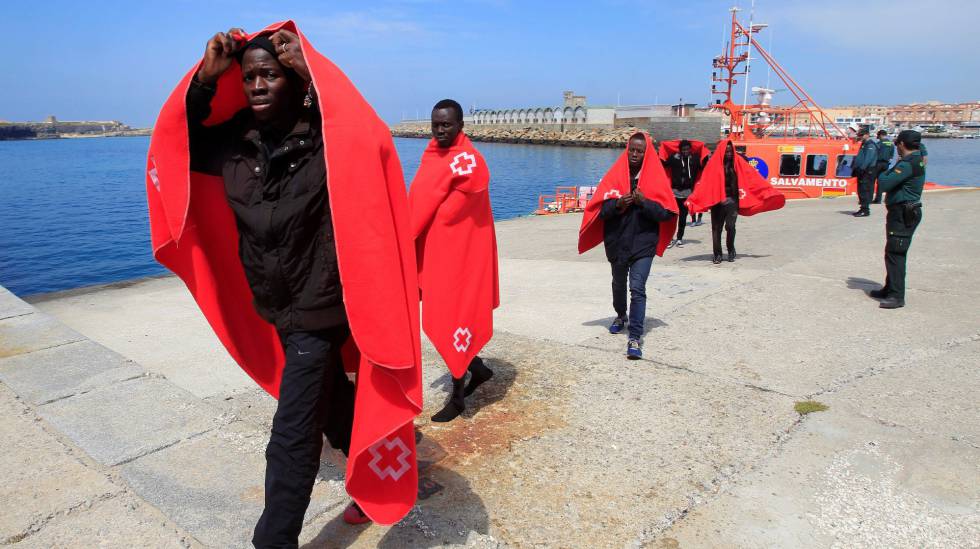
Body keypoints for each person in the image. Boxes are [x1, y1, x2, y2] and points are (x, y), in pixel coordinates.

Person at [148, 23, 422, 546]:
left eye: (269, 74)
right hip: (274, 304)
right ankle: (377, 476)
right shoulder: (232, 142)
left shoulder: (328, 137)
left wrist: (309, 69)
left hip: (320, 305)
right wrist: (206, 79)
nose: (256, 84)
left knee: (291, 435)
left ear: (293, 81)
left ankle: (273, 540)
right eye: (249, 76)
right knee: (332, 400)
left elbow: (368, 134)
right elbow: (176, 143)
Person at [409, 99, 499, 422]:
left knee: (456, 318)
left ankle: (458, 396)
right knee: (442, 314)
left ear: (460, 125)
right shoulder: (432, 155)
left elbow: (456, 213)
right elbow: (421, 198)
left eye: (446, 124)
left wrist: (414, 226)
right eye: (435, 124)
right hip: (438, 257)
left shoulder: (469, 162)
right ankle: (479, 369)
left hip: (462, 259)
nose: (440, 130)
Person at [578, 133, 678, 359]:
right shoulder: (614, 177)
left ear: (647, 153)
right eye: (631, 149)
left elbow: (666, 214)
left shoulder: (656, 179)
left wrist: (644, 203)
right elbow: (600, 212)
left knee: (637, 287)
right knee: (618, 283)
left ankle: (634, 337)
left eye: (639, 151)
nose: (634, 154)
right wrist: (618, 204)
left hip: (644, 244)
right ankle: (620, 315)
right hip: (618, 242)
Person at [686, 140, 786, 264]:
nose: (729, 154)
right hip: (717, 201)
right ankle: (717, 254)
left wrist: (769, 191)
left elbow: (753, 177)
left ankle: (731, 249)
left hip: (732, 200)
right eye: (726, 152)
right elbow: (704, 183)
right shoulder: (713, 164)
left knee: (730, 226)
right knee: (716, 229)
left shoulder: (738, 163)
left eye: (730, 151)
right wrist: (693, 199)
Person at [868, 130, 925, 309]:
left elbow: (884, 183)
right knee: (892, 251)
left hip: (902, 213)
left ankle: (896, 296)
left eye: (897, 144)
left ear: (901, 144)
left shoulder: (908, 163)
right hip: (903, 211)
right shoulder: (917, 159)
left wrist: (886, 172)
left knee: (896, 253)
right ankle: (890, 287)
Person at [661, 139, 708, 247]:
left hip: (687, 194)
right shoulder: (674, 158)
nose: (685, 151)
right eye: (683, 150)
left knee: (683, 217)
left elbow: (703, 166)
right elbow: (663, 163)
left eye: (687, 149)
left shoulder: (695, 159)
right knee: (671, 217)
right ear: (680, 150)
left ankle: (679, 238)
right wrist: (659, 152)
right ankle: (669, 238)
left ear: (690, 149)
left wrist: (705, 154)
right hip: (674, 193)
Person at [851, 126, 879, 217]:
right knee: (861, 189)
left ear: (867, 135)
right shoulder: (864, 144)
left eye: (861, 135)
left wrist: (862, 168)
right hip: (863, 170)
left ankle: (865, 209)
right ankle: (863, 208)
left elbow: (868, 159)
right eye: (859, 135)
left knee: (864, 189)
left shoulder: (870, 145)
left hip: (867, 171)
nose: (860, 136)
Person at [872, 129, 894, 204]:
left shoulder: (879, 143)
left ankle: (871, 198)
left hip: (878, 163)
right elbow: (891, 156)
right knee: (881, 181)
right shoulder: (891, 144)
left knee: (872, 180)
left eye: (878, 136)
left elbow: (874, 154)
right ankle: (879, 199)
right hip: (886, 164)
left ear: (880, 135)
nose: (877, 137)